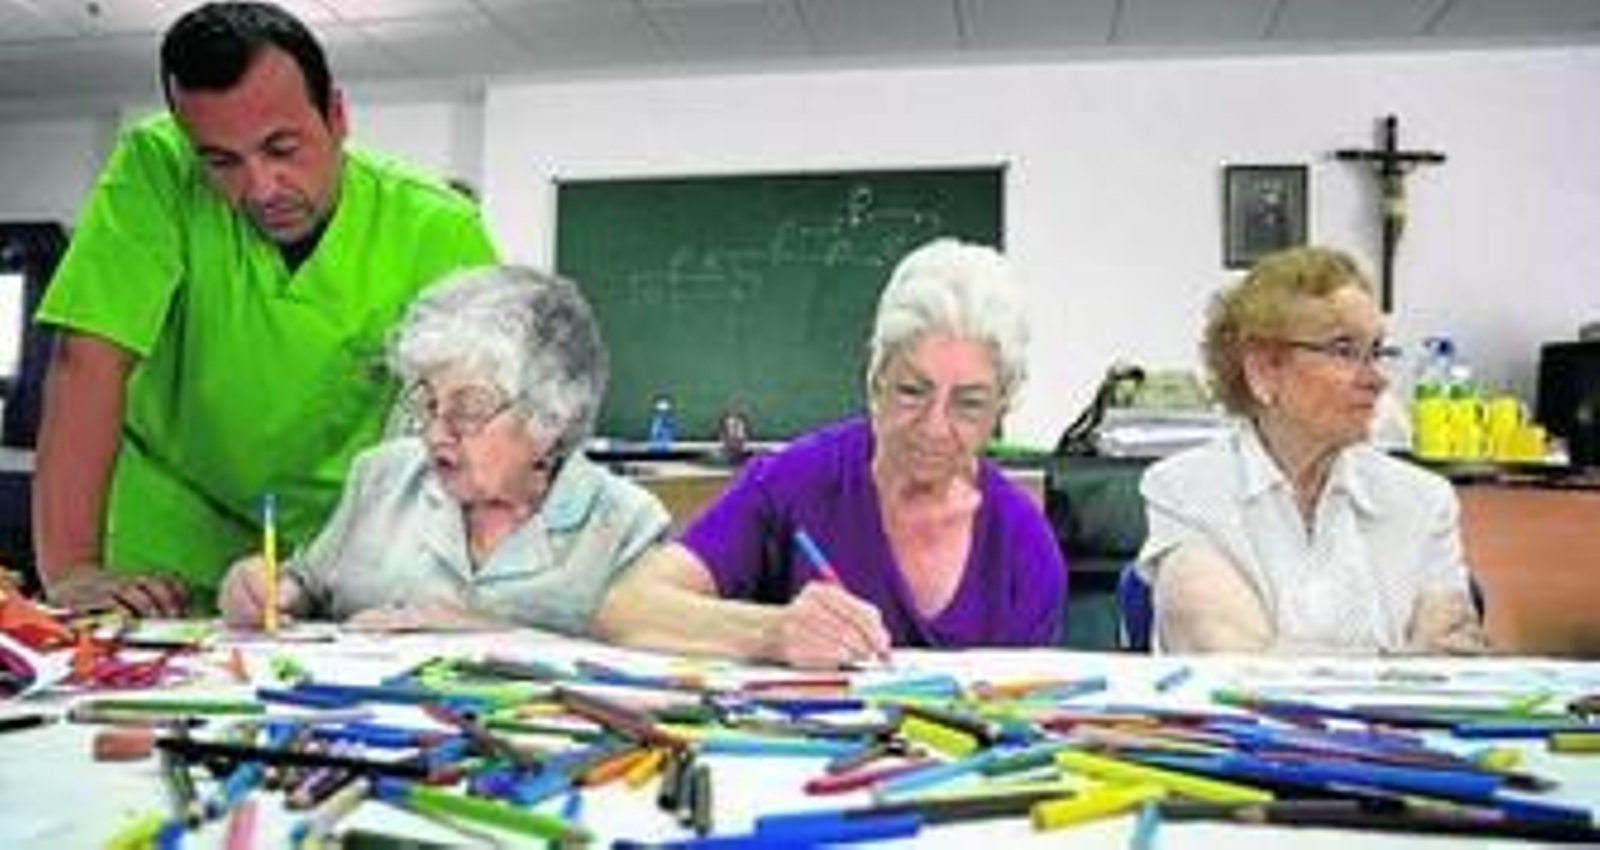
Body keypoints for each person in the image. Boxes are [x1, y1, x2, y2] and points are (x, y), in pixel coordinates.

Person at [33, 2, 497, 616]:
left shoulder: (439, 229)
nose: (260, 189)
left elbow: (483, 423)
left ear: (336, 115)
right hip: (167, 531)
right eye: (220, 161)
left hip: (336, 543)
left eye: (282, 148)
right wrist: (71, 573)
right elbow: (86, 361)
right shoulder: (156, 166)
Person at [595, 237, 1067, 669]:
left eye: (968, 403)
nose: (934, 426)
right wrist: (771, 632)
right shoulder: (797, 482)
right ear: (875, 378)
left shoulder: (1023, 546)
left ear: (1002, 406)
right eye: (911, 391)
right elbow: (627, 606)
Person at [219, 265, 670, 633]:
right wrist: (267, 590)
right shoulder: (383, 477)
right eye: (429, 403)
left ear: (552, 416)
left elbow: (655, 663)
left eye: (468, 408)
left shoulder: (625, 524)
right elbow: (308, 581)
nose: (436, 433)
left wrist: (491, 636)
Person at [1136, 246, 1488, 655]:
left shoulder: (1425, 500)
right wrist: (1398, 662)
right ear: (1263, 368)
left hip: (1400, 723)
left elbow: (1451, 665)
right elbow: (1232, 668)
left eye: (1377, 352)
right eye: (1344, 350)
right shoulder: (1185, 490)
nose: (1376, 380)